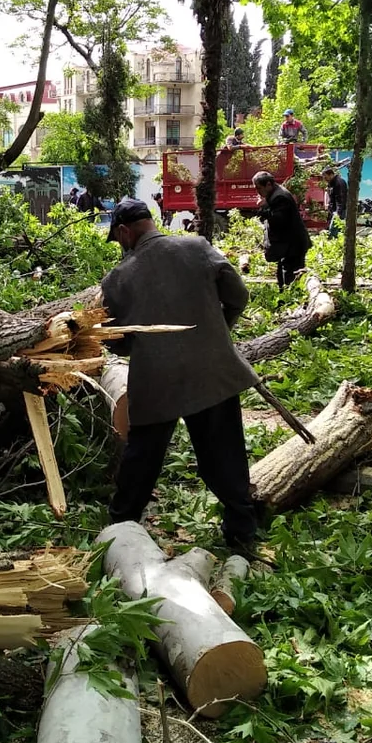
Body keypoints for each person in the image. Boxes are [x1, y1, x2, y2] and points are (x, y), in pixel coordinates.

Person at [101, 198, 262, 552]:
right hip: (212, 373)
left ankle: (119, 528)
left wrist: (144, 346)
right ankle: (241, 533)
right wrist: (215, 334)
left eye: (118, 239)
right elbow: (238, 296)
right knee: (225, 456)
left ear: (125, 231)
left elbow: (119, 343)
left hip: (156, 383)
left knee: (142, 457)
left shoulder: (116, 279)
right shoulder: (197, 247)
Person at [253, 170, 312, 289]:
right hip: (288, 245)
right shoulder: (275, 194)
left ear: (268, 184)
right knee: (283, 274)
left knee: (291, 277)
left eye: (259, 188)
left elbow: (278, 220)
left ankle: (292, 302)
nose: (257, 192)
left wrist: (263, 208)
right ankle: (284, 299)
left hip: (292, 245)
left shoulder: (280, 197)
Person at [322, 167, 348, 239]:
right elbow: (332, 198)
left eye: (326, 177)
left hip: (339, 210)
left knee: (333, 230)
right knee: (336, 231)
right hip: (333, 210)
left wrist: (338, 213)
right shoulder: (331, 183)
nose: (325, 179)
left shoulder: (339, 183)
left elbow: (340, 199)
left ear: (331, 175)